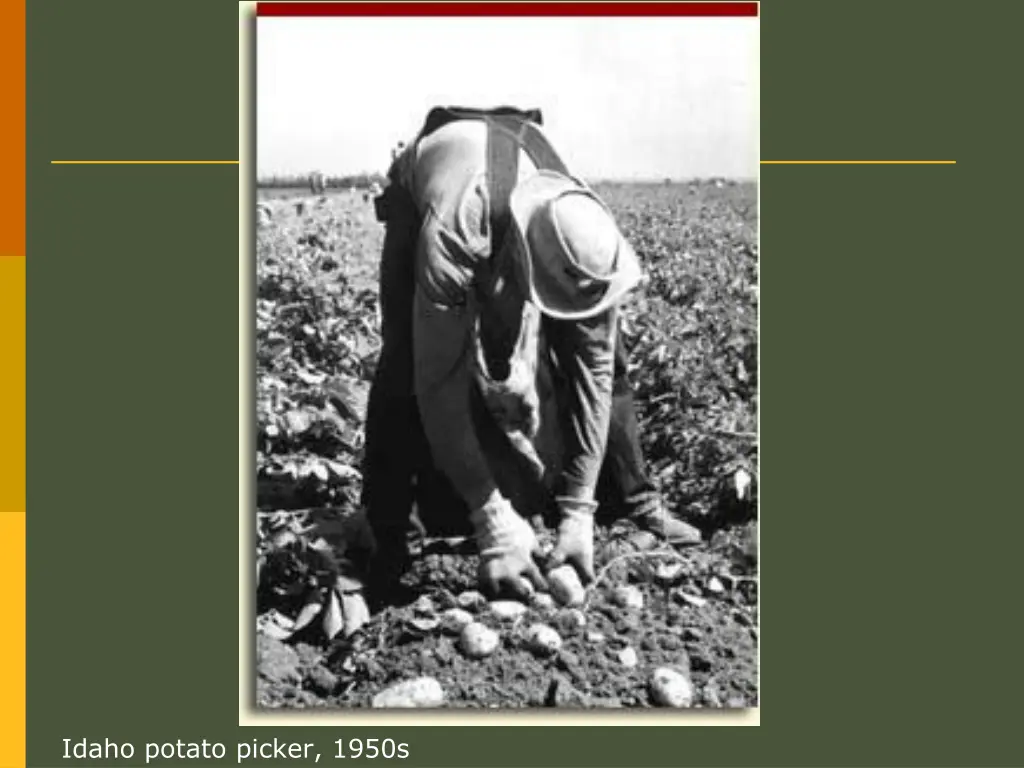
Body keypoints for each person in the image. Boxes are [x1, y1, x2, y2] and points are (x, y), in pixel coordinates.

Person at [361, 106, 699, 603]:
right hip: (427, 194)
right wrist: (491, 518)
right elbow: (437, 380)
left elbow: (596, 369)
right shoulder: (457, 226)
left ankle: (631, 500)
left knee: (613, 358)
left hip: (512, 194)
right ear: (522, 264)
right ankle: (391, 530)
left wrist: (580, 509)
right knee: (406, 358)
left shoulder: (583, 230)